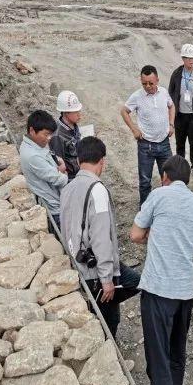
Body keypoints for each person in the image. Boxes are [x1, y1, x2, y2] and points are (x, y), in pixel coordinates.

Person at [130, 155, 193, 385]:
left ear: (164, 177)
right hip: (186, 289)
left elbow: (135, 234)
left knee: (158, 356)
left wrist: (151, 231)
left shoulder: (159, 195)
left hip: (160, 288)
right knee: (176, 350)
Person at [60, 137, 140, 338]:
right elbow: (101, 238)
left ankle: (94, 306)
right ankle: (109, 355)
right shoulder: (97, 191)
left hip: (79, 260)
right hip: (96, 269)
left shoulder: (68, 188)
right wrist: (106, 279)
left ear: (79, 161)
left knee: (133, 282)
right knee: (110, 319)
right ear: (102, 161)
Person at [121, 65, 175, 207]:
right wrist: (134, 129)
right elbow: (124, 111)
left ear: (157, 79)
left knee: (169, 177)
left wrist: (171, 124)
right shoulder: (137, 96)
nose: (148, 86)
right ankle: (144, 210)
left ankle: (167, 206)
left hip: (164, 143)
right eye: (144, 83)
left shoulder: (163, 92)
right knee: (145, 181)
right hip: (146, 145)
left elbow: (172, 106)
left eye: (151, 83)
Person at [20, 110, 68, 226]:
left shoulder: (36, 143)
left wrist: (56, 163)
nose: (49, 138)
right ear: (32, 130)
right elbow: (59, 179)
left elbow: (47, 157)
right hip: (55, 207)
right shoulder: (32, 155)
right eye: (46, 134)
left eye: (50, 134)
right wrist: (63, 172)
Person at [168, 43, 193, 174]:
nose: (191, 61)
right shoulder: (176, 74)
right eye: (188, 58)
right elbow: (171, 92)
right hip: (180, 115)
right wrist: (172, 112)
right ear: (183, 59)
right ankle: (181, 167)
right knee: (180, 143)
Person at [49, 90, 82, 181]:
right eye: (75, 112)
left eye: (79, 110)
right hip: (71, 178)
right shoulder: (58, 136)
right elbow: (60, 166)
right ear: (66, 112)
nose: (79, 115)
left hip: (80, 171)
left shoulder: (73, 125)